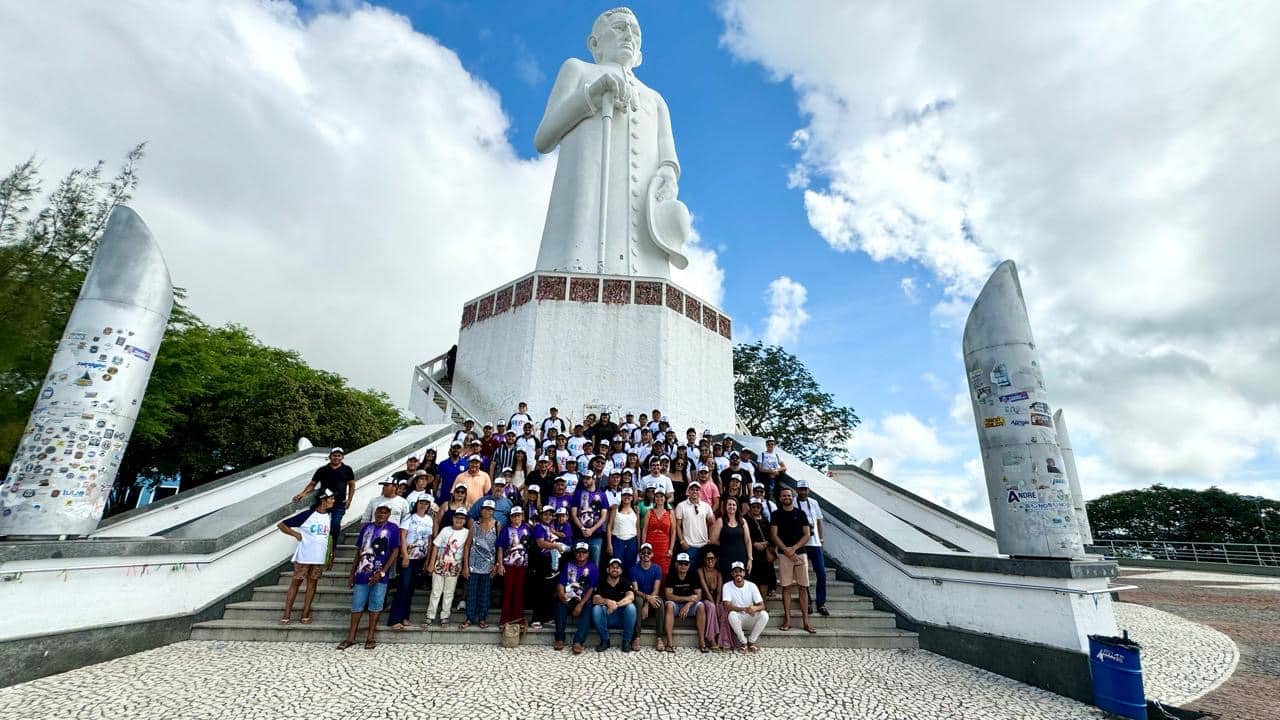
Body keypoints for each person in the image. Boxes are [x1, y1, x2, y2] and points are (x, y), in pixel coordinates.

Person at [339, 504, 400, 650]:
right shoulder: (366, 528)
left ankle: (370, 636)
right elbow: (359, 551)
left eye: (385, 512)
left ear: (389, 514)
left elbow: (395, 551)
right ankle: (351, 636)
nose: (381, 514)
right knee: (357, 605)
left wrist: (383, 572)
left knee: (376, 605)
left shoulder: (393, 528)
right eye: (379, 512)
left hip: (380, 573)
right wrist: (352, 573)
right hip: (362, 572)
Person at [276, 489, 335, 625]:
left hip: (319, 557)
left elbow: (328, 537)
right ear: (323, 500)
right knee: (296, 583)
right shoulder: (308, 515)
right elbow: (282, 525)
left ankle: (306, 613)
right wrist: (296, 535)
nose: (333, 501)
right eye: (331, 499)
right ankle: (287, 613)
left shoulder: (329, 516)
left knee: (312, 584)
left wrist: (330, 554)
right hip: (304, 555)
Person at [293, 447, 354, 561]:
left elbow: (351, 484)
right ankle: (314, 548)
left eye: (339, 455)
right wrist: (303, 493)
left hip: (339, 502)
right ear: (330, 456)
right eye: (334, 455)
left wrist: (349, 499)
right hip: (322, 502)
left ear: (342, 457)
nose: (336, 457)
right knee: (315, 525)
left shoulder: (347, 469)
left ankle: (330, 550)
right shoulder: (322, 470)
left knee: (335, 525)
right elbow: (313, 483)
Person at [770, 487, 816, 634]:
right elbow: (774, 535)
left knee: (803, 587)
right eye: (784, 496)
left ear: (792, 497)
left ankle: (806, 622)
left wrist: (794, 548)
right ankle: (788, 620)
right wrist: (786, 550)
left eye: (789, 495)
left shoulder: (801, 513)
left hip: (800, 553)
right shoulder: (776, 514)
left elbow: (807, 534)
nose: (786, 497)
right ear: (780, 498)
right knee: (786, 587)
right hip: (784, 555)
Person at [388, 495, 434, 630]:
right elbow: (403, 536)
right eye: (421, 502)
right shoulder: (409, 517)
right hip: (409, 556)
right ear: (417, 503)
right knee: (403, 587)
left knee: (411, 589)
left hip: (420, 557)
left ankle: (405, 616)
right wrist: (405, 555)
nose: (423, 505)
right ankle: (395, 618)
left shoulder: (429, 519)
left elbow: (429, 540)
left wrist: (427, 559)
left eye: (426, 503)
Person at [423, 510, 469, 628]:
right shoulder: (445, 530)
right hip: (440, 564)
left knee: (449, 592)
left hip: (454, 566)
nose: (459, 520)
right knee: (436, 591)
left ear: (465, 521)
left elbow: (466, 550)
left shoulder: (467, 533)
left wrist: (464, 566)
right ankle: (430, 615)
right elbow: (436, 546)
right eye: (457, 517)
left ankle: (445, 616)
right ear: (453, 518)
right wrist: (431, 563)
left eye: (462, 518)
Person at [553, 542, 598, 653]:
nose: (581, 554)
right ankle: (559, 638)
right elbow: (561, 583)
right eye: (578, 552)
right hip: (568, 596)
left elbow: (591, 589)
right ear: (575, 553)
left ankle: (578, 641)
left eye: (584, 552)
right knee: (559, 604)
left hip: (582, 599)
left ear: (588, 554)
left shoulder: (593, 567)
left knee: (588, 607)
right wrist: (561, 594)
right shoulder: (567, 565)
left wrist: (580, 605)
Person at [461, 500, 499, 629]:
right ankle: (470, 618)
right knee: (471, 593)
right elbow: (467, 545)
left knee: (485, 593)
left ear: (493, 511)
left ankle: (482, 618)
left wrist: (497, 565)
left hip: (489, 565)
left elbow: (499, 547)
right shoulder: (474, 525)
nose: (487, 511)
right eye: (485, 509)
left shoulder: (497, 525)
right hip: (473, 563)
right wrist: (465, 566)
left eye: (490, 509)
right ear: (481, 510)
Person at [795, 480, 829, 616]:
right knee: (803, 575)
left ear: (808, 490)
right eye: (800, 489)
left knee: (821, 573)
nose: (802, 492)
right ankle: (807, 601)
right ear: (796, 490)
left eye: (805, 489)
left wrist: (821, 538)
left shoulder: (814, 502)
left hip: (815, 543)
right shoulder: (792, 503)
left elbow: (819, 521)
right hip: (801, 543)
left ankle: (821, 602)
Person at [531, 505, 567, 629]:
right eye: (545, 514)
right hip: (541, 562)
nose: (548, 516)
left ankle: (547, 617)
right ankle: (536, 618)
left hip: (551, 561)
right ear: (541, 515)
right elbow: (540, 543)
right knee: (540, 590)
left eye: (550, 514)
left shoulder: (551, 527)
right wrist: (556, 546)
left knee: (549, 590)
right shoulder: (538, 527)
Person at [591, 557, 636, 652]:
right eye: (612, 567)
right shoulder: (601, 582)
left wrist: (616, 604)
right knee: (596, 609)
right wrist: (607, 602)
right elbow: (595, 599)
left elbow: (631, 597)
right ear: (608, 569)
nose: (615, 569)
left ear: (621, 570)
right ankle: (605, 640)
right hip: (606, 618)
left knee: (631, 607)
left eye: (617, 567)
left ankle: (626, 641)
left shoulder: (625, 581)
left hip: (622, 618)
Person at [496, 506, 531, 628]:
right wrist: (500, 564)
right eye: (514, 516)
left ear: (522, 516)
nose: (517, 518)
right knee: (508, 591)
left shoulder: (527, 529)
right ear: (511, 517)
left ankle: (518, 618)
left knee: (519, 592)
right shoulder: (506, 530)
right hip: (509, 564)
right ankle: (505, 618)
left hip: (522, 565)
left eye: (519, 515)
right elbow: (500, 547)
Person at [663, 552, 705, 653]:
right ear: (676, 564)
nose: (683, 566)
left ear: (689, 565)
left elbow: (699, 595)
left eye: (685, 563)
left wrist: (688, 605)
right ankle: (669, 643)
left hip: (690, 605)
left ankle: (702, 642)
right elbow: (668, 595)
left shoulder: (693, 574)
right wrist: (687, 599)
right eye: (681, 563)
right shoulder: (671, 574)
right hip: (675, 605)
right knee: (669, 605)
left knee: (701, 606)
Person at [722, 561, 768, 653]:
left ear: (744, 573)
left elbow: (762, 605)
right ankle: (743, 642)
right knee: (732, 615)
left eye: (740, 571)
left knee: (764, 615)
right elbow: (726, 606)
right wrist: (744, 609)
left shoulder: (752, 586)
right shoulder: (727, 586)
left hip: (750, 617)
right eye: (735, 571)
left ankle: (751, 642)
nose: (738, 574)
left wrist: (754, 608)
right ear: (732, 573)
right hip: (738, 620)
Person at [629, 543, 664, 651]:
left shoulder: (657, 568)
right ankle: (637, 637)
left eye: (648, 552)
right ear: (640, 554)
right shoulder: (634, 569)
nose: (646, 554)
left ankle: (659, 638)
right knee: (638, 602)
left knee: (660, 602)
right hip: (640, 596)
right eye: (643, 552)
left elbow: (656, 590)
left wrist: (647, 604)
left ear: (652, 554)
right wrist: (646, 599)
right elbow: (635, 590)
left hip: (651, 597)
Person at [570, 472, 610, 565]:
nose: (585, 480)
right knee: (577, 562)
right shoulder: (578, 493)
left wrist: (592, 530)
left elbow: (604, 517)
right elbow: (573, 515)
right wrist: (583, 529)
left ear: (594, 479)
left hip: (596, 535)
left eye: (588, 478)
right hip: (579, 534)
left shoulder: (602, 494)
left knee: (594, 563)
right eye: (584, 478)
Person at [673, 481, 713, 569]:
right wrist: (682, 541)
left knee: (703, 570)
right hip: (689, 545)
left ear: (700, 492)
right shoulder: (681, 506)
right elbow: (677, 526)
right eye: (692, 489)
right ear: (688, 491)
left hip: (704, 545)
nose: (694, 491)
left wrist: (710, 538)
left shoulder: (706, 506)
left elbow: (711, 523)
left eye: (697, 489)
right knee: (690, 571)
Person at [696, 548, 728, 651]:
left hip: (715, 599)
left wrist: (718, 603)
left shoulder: (718, 573)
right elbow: (705, 590)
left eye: (712, 558)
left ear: (716, 559)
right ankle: (711, 638)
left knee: (723, 608)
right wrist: (714, 604)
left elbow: (719, 591)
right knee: (711, 607)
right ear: (704, 560)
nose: (710, 561)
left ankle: (723, 639)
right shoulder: (700, 571)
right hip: (704, 599)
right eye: (708, 558)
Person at [711, 497, 751, 579]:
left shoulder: (742, 521)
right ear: (725, 506)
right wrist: (725, 544)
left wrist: (750, 558)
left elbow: (748, 541)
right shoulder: (720, 521)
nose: (731, 507)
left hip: (741, 557)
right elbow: (713, 540)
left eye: (734, 505)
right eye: (729, 504)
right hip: (726, 559)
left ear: (737, 507)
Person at [745, 498, 777, 597]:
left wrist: (766, 544)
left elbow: (771, 536)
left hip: (765, 555)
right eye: (753, 507)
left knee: (764, 580)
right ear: (750, 508)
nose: (756, 509)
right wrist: (754, 543)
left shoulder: (765, 520)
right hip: (752, 553)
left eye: (758, 507)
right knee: (754, 579)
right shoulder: (746, 520)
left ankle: (763, 603)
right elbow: (745, 536)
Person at [640, 488, 673, 575]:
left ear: (665, 498)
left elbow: (673, 533)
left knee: (664, 571)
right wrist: (643, 546)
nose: (659, 499)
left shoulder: (670, 512)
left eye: (661, 496)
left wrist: (671, 549)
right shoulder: (649, 512)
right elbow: (644, 530)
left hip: (664, 546)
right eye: (657, 496)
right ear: (654, 498)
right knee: (650, 570)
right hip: (651, 545)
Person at [606, 487, 640, 573]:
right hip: (618, 540)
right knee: (616, 565)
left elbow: (638, 529)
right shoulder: (615, 509)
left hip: (632, 541)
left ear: (632, 497)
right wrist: (609, 544)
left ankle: (629, 585)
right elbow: (609, 526)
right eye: (624, 495)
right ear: (621, 496)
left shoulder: (636, 511)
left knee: (631, 566)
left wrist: (639, 545)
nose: (626, 497)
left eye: (629, 495)